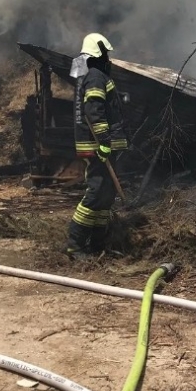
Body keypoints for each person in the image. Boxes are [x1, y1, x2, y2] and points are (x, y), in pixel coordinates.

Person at [66, 33, 128, 258]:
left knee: (106, 196)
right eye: (106, 54)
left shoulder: (91, 75)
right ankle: (75, 244)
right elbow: (94, 111)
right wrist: (103, 143)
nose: (108, 59)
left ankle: (98, 243)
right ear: (97, 53)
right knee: (96, 193)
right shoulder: (95, 77)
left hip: (102, 147)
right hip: (99, 147)